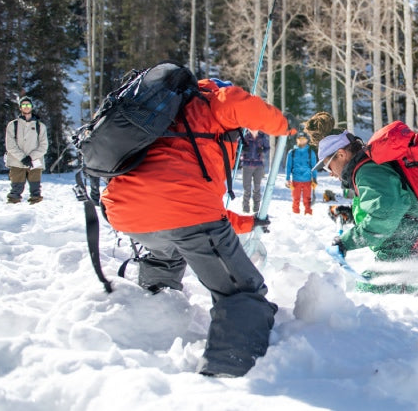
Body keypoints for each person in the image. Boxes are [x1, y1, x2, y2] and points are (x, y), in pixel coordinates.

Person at [100, 78, 289, 378]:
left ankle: (151, 315)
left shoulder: (157, 113)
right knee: (241, 289)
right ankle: (227, 370)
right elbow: (188, 206)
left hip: (125, 212)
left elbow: (184, 200)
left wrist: (249, 222)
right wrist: (283, 126)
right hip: (183, 209)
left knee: (168, 252)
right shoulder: (212, 100)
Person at [316, 130, 418, 293]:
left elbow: (386, 214)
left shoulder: (368, 171)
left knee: (367, 293)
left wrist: (345, 242)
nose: (330, 174)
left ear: (341, 154)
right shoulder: (366, 168)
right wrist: (350, 214)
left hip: (411, 249)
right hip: (411, 245)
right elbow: (385, 204)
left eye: (328, 166)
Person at [5, 96, 48, 204]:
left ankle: (35, 210)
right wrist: (23, 158)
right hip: (16, 162)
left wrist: (30, 157)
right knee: (15, 190)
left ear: (32, 107)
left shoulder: (40, 126)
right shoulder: (13, 125)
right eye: (23, 105)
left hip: (35, 162)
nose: (26, 107)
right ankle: (12, 211)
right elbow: (10, 145)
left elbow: (43, 146)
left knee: (35, 191)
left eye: (28, 104)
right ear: (20, 107)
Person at [285, 131, 318, 214]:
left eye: (303, 139)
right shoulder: (291, 153)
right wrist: (287, 178)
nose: (301, 141)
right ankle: (295, 213)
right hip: (296, 180)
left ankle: (308, 212)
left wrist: (314, 179)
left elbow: (314, 167)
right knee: (295, 198)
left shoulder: (311, 153)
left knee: (307, 199)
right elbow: (288, 167)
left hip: (307, 180)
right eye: (300, 139)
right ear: (297, 140)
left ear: (307, 140)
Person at [240, 129, 269, 214]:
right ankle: (245, 208)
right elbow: (237, 147)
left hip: (258, 165)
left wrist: (262, 150)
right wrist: (243, 148)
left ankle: (256, 208)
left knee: (257, 187)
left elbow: (267, 148)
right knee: (247, 188)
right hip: (247, 164)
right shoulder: (245, 136)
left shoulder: (262, 137)